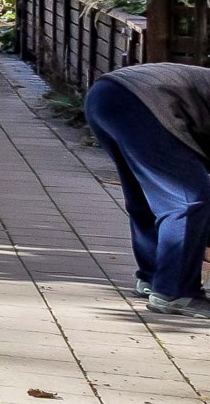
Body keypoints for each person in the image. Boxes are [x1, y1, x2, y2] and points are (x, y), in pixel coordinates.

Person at [82, 61, 210, 314]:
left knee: (145, 198)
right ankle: (175, 292)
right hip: (144, 100)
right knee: (188, 200)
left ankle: (153, 276)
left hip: (106, 95)